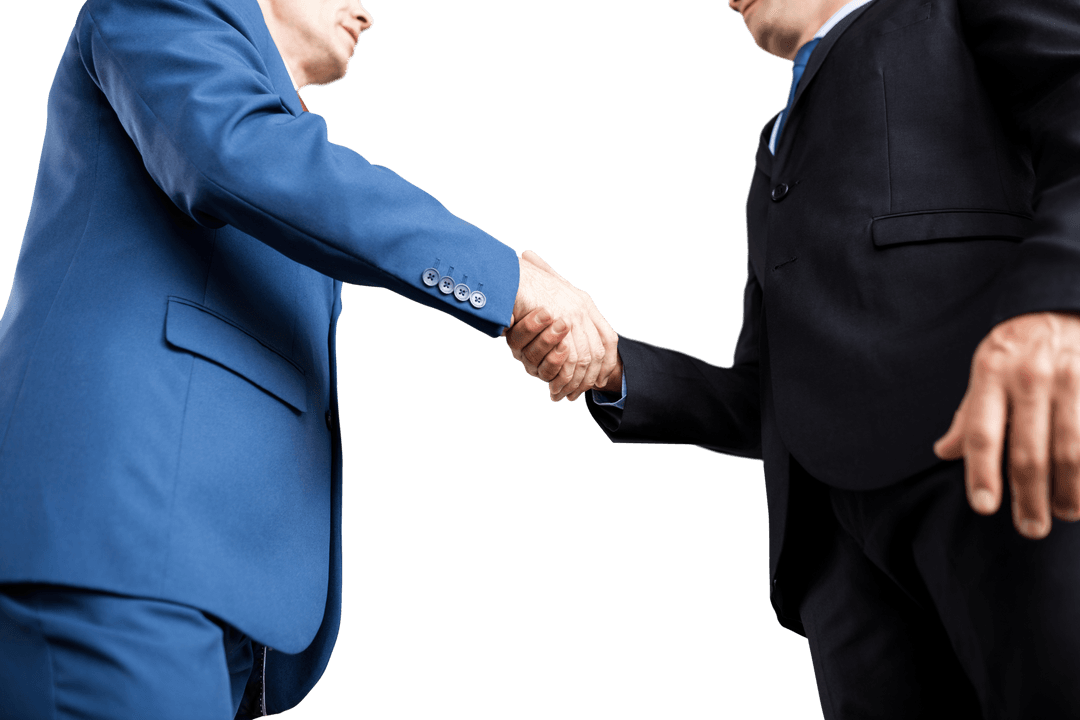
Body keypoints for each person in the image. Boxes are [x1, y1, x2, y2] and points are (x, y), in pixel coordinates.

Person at [0, 0, 617, 717]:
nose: (367, 11)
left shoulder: (278, 133)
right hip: (117, 558)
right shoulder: (157, 12)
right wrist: (509, 283)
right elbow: (241, 156)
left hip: (208, 599)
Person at [508, 0, 1080, 717]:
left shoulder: (946, 12)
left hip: (992, 464)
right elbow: (767, 391)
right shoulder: (772, 151)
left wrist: (1057, 304)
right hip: (832, 560)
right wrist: (616, 368)